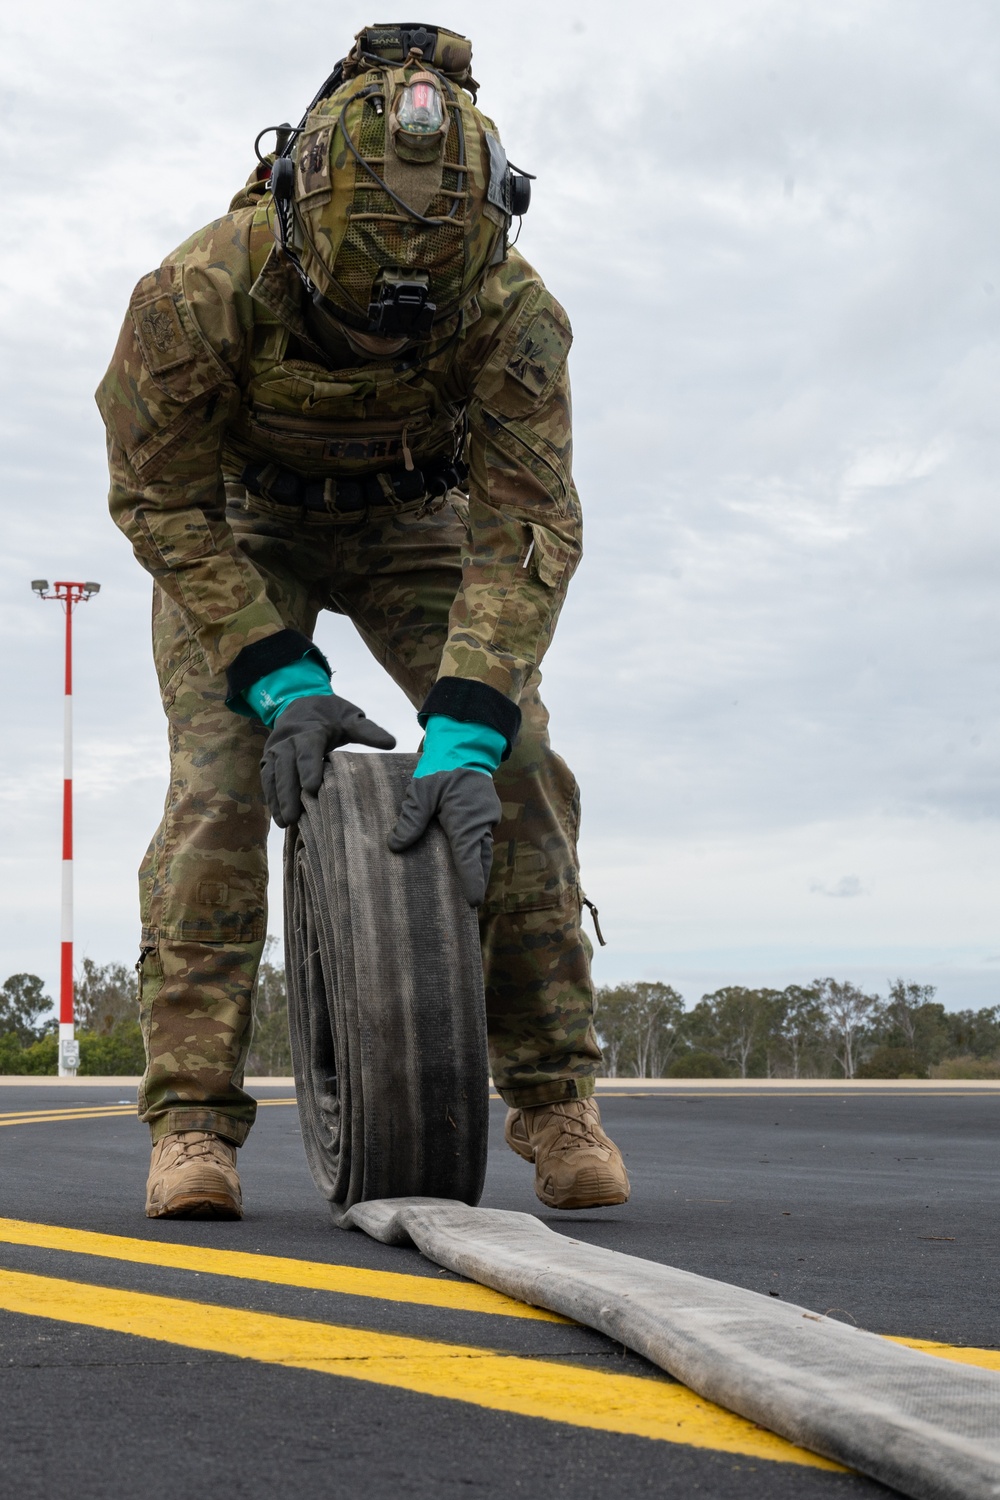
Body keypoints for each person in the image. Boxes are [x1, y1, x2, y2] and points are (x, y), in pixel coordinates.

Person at [96, 21, 629, 1219]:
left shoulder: (510, 310)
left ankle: (552, 1098)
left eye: (414, 312)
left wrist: (472, 723)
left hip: (416, 516)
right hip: (242, 520)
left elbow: (528, 524)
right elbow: (155, 497)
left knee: (527, 770)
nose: (388, 329)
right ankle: (191, 1122)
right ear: (297, 224)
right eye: (360, 306)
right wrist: (276, 676)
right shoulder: (195, 293)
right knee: (223, 783)